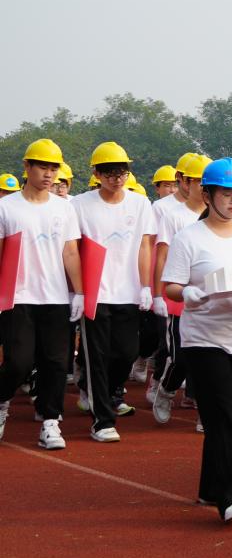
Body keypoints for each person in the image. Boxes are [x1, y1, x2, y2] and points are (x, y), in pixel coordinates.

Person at [161, 158, 232, 522]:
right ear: (207, 195)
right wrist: (188, 293)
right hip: (204, 339)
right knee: (224, 415)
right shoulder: (189, 238)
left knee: (227, 418)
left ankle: (210, 487)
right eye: (227, 193)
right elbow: (170, 286)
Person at [0, 139, 84, 451]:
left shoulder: (64, 208)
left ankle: (50, 422)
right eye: (43, 167)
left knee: (56, 364)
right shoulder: (6, 207)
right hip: (18, 297)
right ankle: (2, 401)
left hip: (55, 298)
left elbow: (70, 251)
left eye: (53, 169)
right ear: (27, 167)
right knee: (18, 363)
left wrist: (79, 292)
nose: (49, 174)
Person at [71, 141, 158, 442]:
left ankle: (99, 392)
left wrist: (145, 286)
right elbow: (73, 249)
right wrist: (78, 291)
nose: (116, 178)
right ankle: (102, 421)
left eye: (121, 172)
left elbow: (145, 246)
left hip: (128, 291)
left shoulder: (140, 204)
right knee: (97, 356)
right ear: (96, 173)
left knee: (126, 353)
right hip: (95, 293)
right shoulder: (79, 205)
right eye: (108, 172)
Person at [151, 154, 212, 425]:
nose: (204, 187)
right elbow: (162, 256)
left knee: (210, 356)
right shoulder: (172, 216)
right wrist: (158, 293)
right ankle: (166, 389)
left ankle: (206, 413)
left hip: (211, 297)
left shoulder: (219, 217)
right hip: (179, 296)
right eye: (198, 181)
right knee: (181, 357)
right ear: (185, 182)